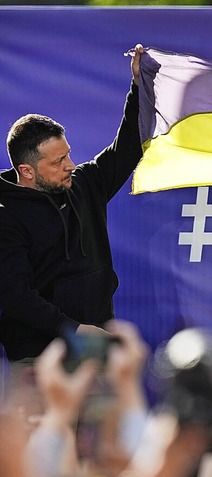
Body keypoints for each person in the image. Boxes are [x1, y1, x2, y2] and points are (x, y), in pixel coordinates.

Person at [0, 44, 144, 362]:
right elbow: (16, 297)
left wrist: (138, 86)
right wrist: (74, 330)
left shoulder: (85, 183)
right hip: (38, 359)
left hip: (96, 352)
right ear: (26, 171)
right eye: (58, 161)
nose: (70, 165)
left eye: (68, 154)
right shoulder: (6, 217)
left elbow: (129, 147)